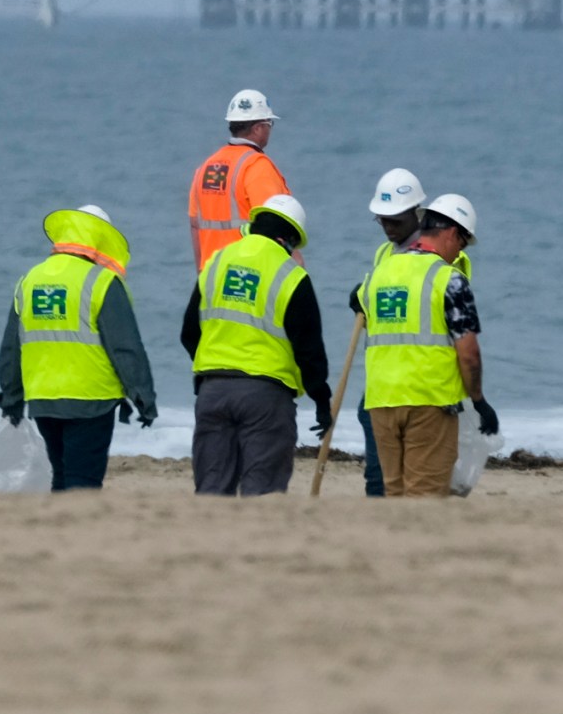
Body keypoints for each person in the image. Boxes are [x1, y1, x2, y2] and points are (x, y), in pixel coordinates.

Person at [0, 204, 159, 491]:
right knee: (83, 481)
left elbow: (12, 348)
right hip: (91, 400)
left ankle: (58, 533)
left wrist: (12, 397)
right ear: (99, 241)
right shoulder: (102, 282)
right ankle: (77, 534)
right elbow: (125, 348)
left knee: (60, 475)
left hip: (43, 399)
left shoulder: (30, 280)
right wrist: (143, 397)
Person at [183, 195, 328, 495]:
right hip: (266, 396)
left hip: (213, 391)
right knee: (263, 495)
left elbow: (188, 332)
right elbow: (308, 349)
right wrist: (321, 401)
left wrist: (214, 366)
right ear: (289, 239)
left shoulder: (217, 261)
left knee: (210, 493)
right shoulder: (291, 275)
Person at [356, 194, 493, 497]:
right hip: (430, 402)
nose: (459, 252)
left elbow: (363, 310)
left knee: (395, 493)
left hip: (381, 400)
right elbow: (468, 353)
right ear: (452, 233)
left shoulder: (380, 273)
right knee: (425, 497)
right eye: (462, 244)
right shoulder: (449, 279)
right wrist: (479, 401)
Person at [188, 88, 290, 271]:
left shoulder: (204, 168)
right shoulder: (257, 167)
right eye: (269, 124)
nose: (270, 130)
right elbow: (274, 228)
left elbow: (195, 228)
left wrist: (202, 280)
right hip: (249, 281)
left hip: (213, 280)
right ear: (258, 128)